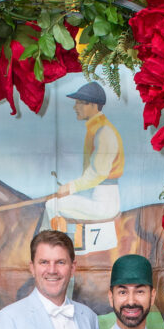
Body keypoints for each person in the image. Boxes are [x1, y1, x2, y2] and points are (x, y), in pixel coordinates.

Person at [43, 82, 123, 255]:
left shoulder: (104, 132)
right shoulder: (96, 129)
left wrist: (70, 187)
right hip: (99, 195)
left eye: (79, 102)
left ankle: (58, 254)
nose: (75, 107)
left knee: (52, 205)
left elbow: (98, 173)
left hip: (105, 201)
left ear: (93, 105)